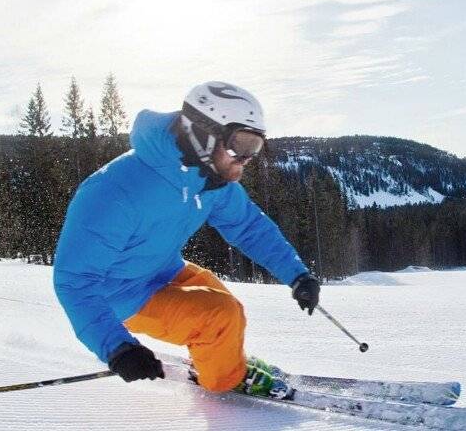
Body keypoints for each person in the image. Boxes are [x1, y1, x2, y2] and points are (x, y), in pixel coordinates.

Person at [53, 81, 321, 397]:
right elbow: (74, 281)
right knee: (220, 316)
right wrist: (118, 348)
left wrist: (297, 274)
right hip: (116, 295)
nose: (247, 158)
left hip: (160, 270)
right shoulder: (114, 192)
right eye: (241, 144)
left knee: (224, 303)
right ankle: (226, 378)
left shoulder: (208, 178)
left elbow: (248, 226)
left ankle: (219, 358)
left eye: (256, 146)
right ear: (203, 135)